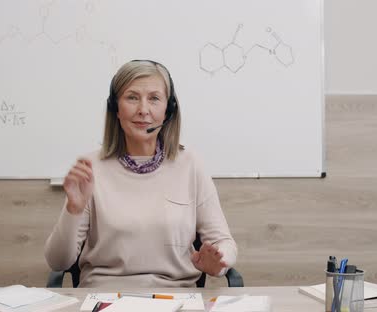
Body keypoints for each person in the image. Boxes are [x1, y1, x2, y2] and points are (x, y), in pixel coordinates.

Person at [44, 60, 237, 287]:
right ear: (115, 108)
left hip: (176, 300)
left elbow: (224, 242)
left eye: (154, 98)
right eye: (132, 97)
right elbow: (57, 262)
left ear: (169, 110)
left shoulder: (190, 164)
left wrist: (219, 262)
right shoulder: (91, 168)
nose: (143, 110)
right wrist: (73, 211)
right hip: (105, 299)